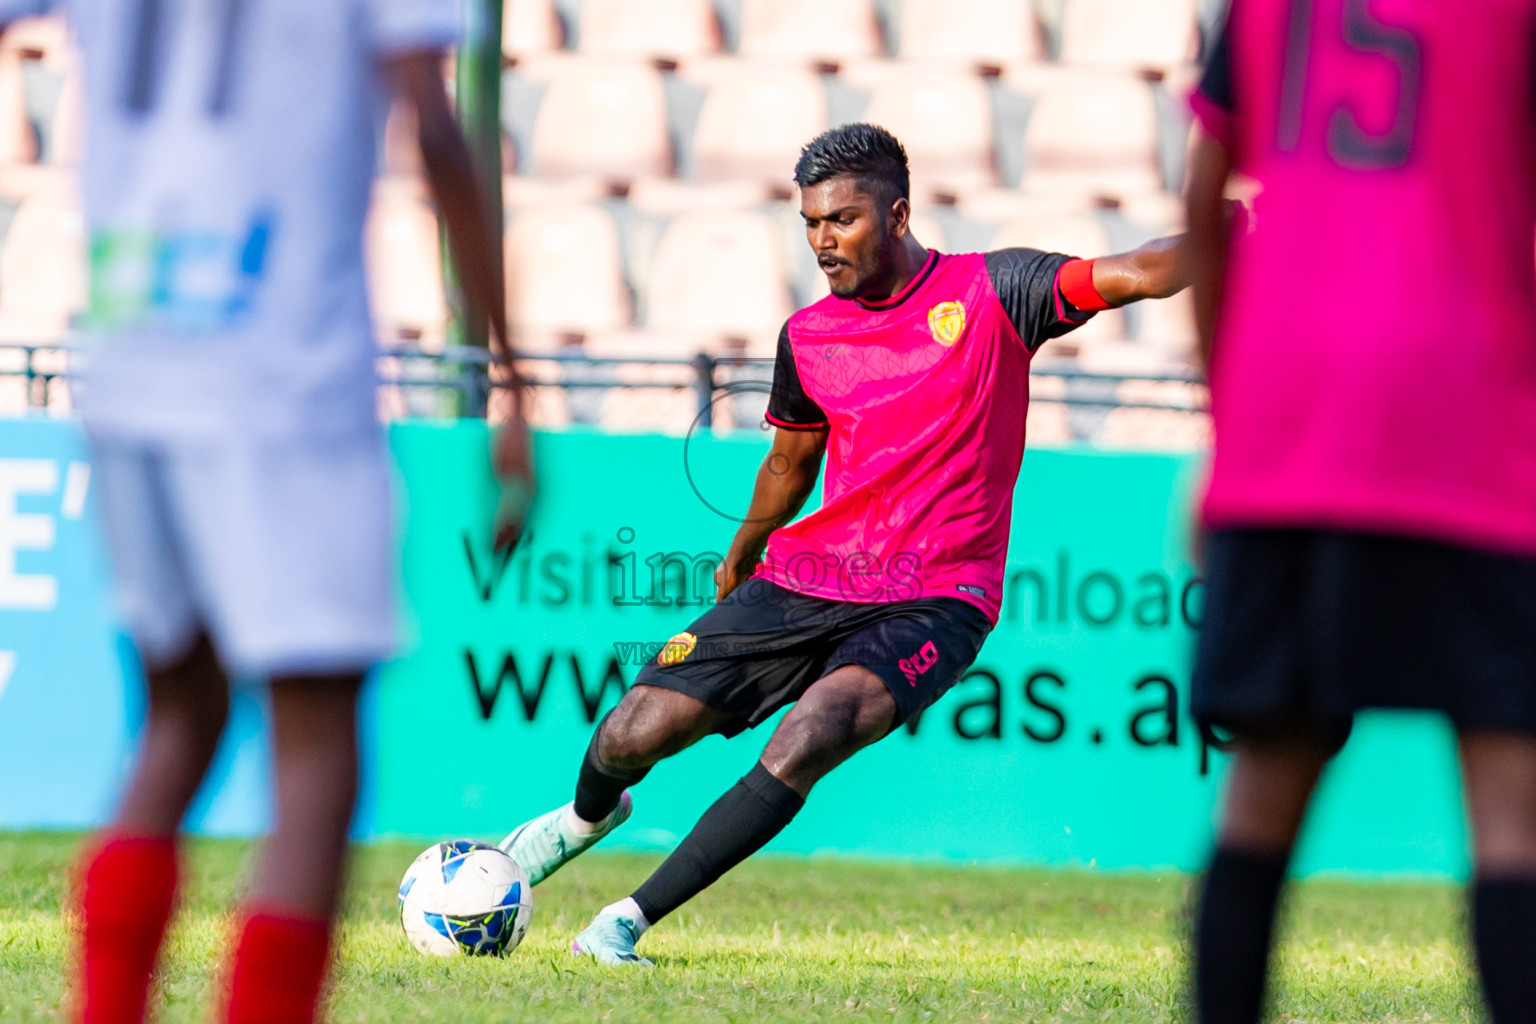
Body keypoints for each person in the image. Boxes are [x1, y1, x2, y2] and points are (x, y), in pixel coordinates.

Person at [499, 123, 1191, 966]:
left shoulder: (997, 292)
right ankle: (585, 819)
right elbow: (790, 462)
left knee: (814, 731)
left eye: (844, 220)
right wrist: (744, 550)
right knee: (629, 735)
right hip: (809, 577)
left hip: (938, 595)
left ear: (898, 214)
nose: (825, 241)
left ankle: (623, 924)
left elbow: (1140, 273)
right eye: (812, 224)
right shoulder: (808, 337)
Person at [0, 0, 532, 1021]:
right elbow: (433, 118)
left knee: (176, 719)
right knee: (317, 746)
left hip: (128, 349)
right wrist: (513, 376)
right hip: (279, 365)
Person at [1184, 4, 1536, 1023]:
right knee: (1513, 809)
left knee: (1259, 795)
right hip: (1470, 418)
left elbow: (1205, 200)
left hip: (1294, 420)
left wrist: (1232, 420)